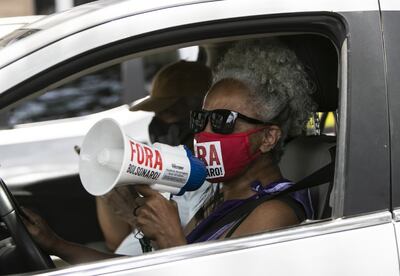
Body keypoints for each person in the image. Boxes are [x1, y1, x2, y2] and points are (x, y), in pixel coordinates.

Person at [23, 38, 316, 262]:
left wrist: (171, 237)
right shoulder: (216, 197)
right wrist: (56, 244)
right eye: (201, 120)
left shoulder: (274, 213)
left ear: (268, 138)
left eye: (223, 121)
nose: (204, 133)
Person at [96, 60, 213, 255]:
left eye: (169, 112)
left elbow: (186, 255)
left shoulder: (211, 182)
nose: (159, 123)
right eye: (157, 114)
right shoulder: (161, 168)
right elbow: (115, 244)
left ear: (199, 115)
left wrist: (134, 216)